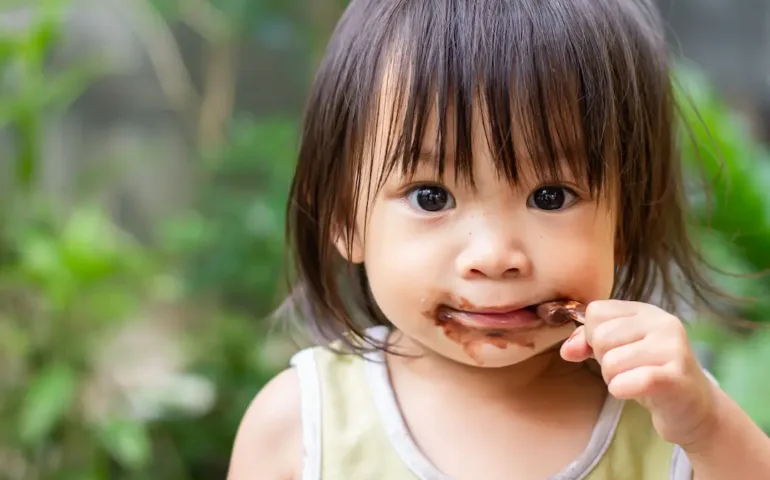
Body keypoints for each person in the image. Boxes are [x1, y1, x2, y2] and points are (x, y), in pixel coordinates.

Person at [228, 0, 770, 479]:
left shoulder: (676, 422)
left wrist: (708, 427)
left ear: (627, 222)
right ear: (346, 216)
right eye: (430, 197)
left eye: (551, 197)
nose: (493, 257)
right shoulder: (301, 427)